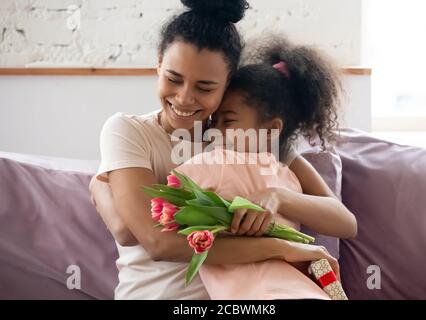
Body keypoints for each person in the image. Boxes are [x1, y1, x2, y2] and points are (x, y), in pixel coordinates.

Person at [89, 0, 357, 299]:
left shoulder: (245, 136)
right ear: (159, 62)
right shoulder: (129, 132)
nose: (184, 98)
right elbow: (154, 241)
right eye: (173, 79)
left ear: (227, 84)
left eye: (204, 88)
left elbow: (343, 220)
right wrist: (283, 248)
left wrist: (277, 196)